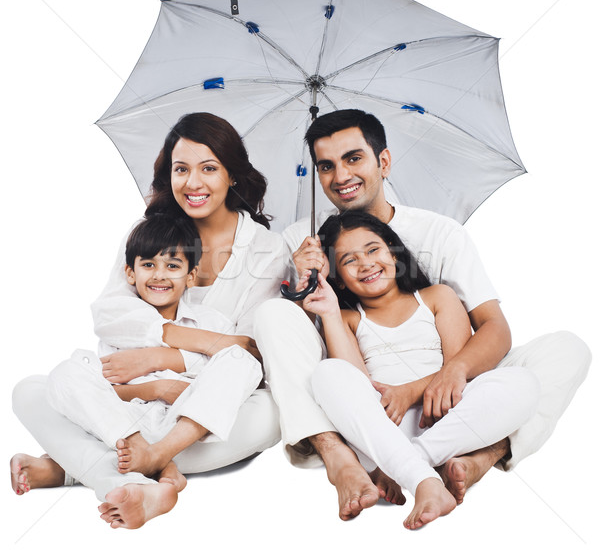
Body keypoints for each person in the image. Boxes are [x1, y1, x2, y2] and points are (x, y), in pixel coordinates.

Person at [254, 108, 591, 520]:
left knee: (563, 351)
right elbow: (292, 344)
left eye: (353, 158)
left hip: (446, 389)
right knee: (276, 316)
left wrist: (453, 373)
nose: (340, 176)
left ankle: (473, 457)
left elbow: (493, 328)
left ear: (384, 162)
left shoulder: (439, 236)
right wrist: (305, 281)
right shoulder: (301, 239)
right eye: (326, 166)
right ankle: (338, 456)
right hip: (367, 399)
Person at [12, 112, 286, 529]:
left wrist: (162, 365)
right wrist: (176, 342)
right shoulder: (149, 233)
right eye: (181, 169)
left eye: (209, 168)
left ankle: (79, 466)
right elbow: (109, 314)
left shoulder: (269, 249)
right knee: (32, 389)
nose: (193, 183)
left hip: (201, 422)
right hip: (127, 411)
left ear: (232, 174)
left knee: (272, 412)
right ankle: (144, 480)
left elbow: (251, 355)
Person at [303, 211, 539, 529]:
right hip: (385, 428)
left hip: (445, 419)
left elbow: (457, 372)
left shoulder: (437, 297)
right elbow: (356, 382)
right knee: (327, 373)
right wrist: (330, 311)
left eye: (373, 250)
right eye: (349, 260)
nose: (366, 264)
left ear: (393, 251)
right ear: (339, 278)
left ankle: (411, 465)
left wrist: (410, 392)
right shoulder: (348, 319)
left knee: (522, 382)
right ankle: (422, 477)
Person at [45, 214, 263, 519]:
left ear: (190, 276)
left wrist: (173, 370)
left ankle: (156, 458)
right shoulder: (123, 322)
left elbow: (238, 366)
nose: (159, 275)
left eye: (172, 266)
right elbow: (106, 391)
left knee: (241, 361)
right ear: (130, 273)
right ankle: (152, 469)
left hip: (187, 423)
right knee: (64, 374)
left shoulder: (210, 322)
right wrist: (156, 388)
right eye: (148, 265)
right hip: (128, 423)